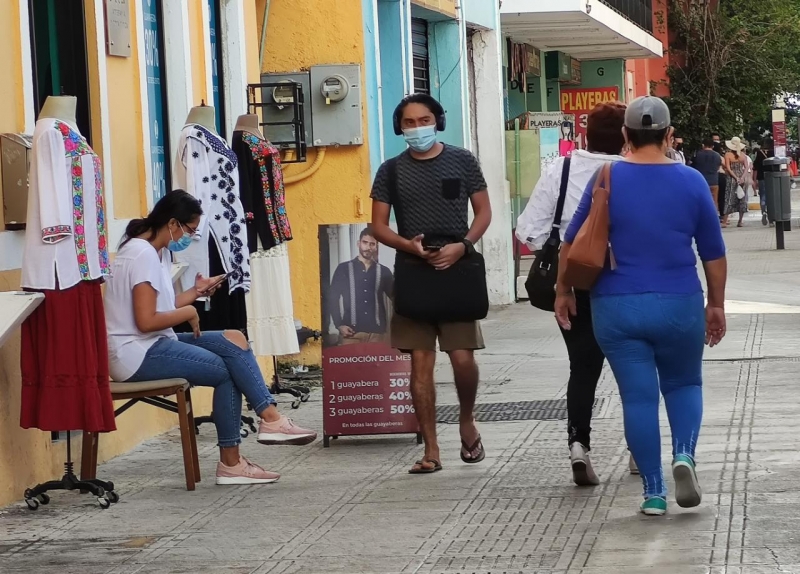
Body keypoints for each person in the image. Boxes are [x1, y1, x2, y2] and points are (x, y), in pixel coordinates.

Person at [555, 96, 727, 516]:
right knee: (685, 384)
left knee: (638, 397)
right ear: (669, 135)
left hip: (616, 306)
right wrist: (716, 305)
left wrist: (563, 291)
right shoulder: (691, 182)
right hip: (679, 301)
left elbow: (571, 241)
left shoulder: (606, 175)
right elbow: (714, 254)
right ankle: (684, 455)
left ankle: (653, 491)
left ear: (626, 136)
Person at [104, 190, 317, 486]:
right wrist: (190, 311)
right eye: (189, 230)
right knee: (228, 371)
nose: (189, 238)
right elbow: (146, 321)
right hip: (134, 353)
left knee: (234, 338)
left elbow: (161, 307)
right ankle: (235, 460)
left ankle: (270, 421)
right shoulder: (141, 255)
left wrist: (195, 292)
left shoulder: (153, 251)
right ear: (173, 223)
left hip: (153, 343)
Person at [370, 94, 492, 474]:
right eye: (409, 122)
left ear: (437, 120)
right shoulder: (389, 171)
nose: (417, 127)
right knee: (419, 363)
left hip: (457, 269)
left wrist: (464, 245)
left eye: (424, 119)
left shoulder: (462, 160)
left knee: (462, 357)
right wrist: (409, 246)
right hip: (414, 271)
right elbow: (378, 225)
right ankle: (431, 449)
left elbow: (484, 211)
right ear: (399, 128)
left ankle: (467, 420)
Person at [516, 102, 627, 486]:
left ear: (585, 135)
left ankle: (579, 445)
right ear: (626, 136)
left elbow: (528, 229)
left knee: (583, 367)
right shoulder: (632, 171)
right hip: (622, 281)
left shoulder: (560, 169)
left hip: (573, 280)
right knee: (632, 367)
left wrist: (562, 253)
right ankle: (636, 449)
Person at [328, 226, 394, 345]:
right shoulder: (343, 269)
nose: (368, 247)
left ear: (376, 246)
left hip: (377, 335)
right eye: (365, 242)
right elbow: (333, 298)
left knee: (377, 364)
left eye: (372, 244)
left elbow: (396, 298)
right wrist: (339, 325)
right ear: (358, 243)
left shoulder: (384, 271)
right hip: (350, 334)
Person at [722, 137, 748, 228]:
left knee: (729, 197)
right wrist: (742, 178)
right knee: (741, 199)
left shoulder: (728, 155)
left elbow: (728, 168)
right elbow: (746, 168)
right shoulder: (743, 155)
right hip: (742, 178)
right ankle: (740, 221)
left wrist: (735, 177)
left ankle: (725, 221)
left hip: (731, 178)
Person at [693, 138, 723, 204]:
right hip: (714, 181)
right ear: (713, 146)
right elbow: (718, 166)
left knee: (702, 202)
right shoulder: (717, 155)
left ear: (703, 145)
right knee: (714, 202)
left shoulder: (698, 154)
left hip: (701, 181)